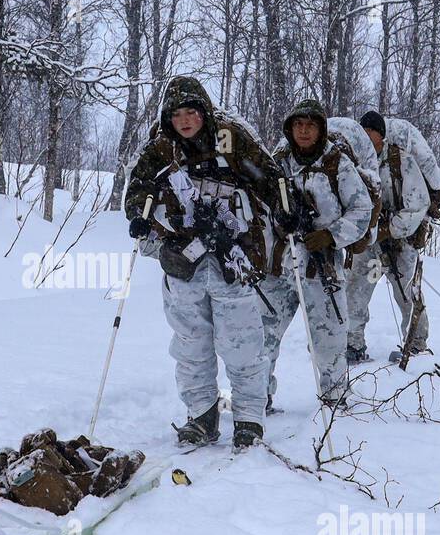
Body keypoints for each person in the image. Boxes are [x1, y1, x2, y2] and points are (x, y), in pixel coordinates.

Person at [124, 75, 284, 450]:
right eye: (177, 113)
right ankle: (201, 415)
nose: (185, 120)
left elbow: (271, 179)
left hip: (233, 259)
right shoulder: (160, 148)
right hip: (183, 262)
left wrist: (288, 211)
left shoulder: (231, 137)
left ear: (204, 112)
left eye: (192, 112)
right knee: (190, 343)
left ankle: (248, 419)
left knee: (242, 342)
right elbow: (138, 187)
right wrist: (139, 214)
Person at [259, 99, 373, 408]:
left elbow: (362, 210)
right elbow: (259, 205)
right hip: (279, 265)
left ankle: (335, 400)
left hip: (320, 267)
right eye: (298, 125)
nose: (304, 131)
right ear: (290, 128)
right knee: (262, 335)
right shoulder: (278, 161)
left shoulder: (337, 163)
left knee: (329, 339)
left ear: (320, 129)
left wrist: (330, 235)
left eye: (310, 125)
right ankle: (257, 399)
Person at [346, 111, 440, 362]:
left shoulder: (400, 161)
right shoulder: (354, 163)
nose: (367, 138)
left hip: (401, 241)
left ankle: (416, 344)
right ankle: (352, 344)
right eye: (364, 133)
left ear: (381, 135)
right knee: (356, 288)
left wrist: (389, 229)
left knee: (406, 292)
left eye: (372, 133)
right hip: (369, 241)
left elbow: (417, 205)